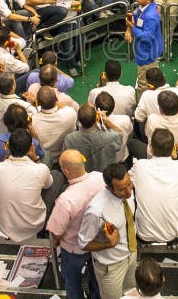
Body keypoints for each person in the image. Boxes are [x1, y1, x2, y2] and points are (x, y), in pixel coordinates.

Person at [47, 149, 106, 299]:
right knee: (97, 278)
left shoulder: (66, 199)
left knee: (72, 282)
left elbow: (57, 232)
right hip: (98, 242)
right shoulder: (100, 178)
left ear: (66, 171)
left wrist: (55, 243)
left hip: (74, 249)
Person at [78, 162, 138, 299]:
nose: (129, 191)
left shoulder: (128, 192)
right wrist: (108, 244)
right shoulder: (96, 210)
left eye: (129, 184)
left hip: (131, 255)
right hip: (111, 266)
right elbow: (83, 244)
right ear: (109, 188)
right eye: (122, 189)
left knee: (131, 295)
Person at [130, 128, 178, 242]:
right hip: (176, 232)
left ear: (151, 149)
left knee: (134, 186)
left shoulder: (140, 166)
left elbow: (128, 182)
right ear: (173, 148)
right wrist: (175, 158)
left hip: (145, 233)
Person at [62, 104, 124, 173]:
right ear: (97, 118)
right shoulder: (110, 137)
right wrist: (106, 121)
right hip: (106, 176)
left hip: (84, 177)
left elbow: (66, 159)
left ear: (79, 120)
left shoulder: (70, 140)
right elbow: (120, 134)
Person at [125, 0, 163, 95]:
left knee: (143, 84)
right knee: (154, 78)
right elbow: (133, 16)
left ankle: (142, 108)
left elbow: (147, 37)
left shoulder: (151, 16)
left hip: (147, 54)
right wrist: (128, 30)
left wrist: (132, 27)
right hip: (146, 51)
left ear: (148, 0)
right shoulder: (142, 7)